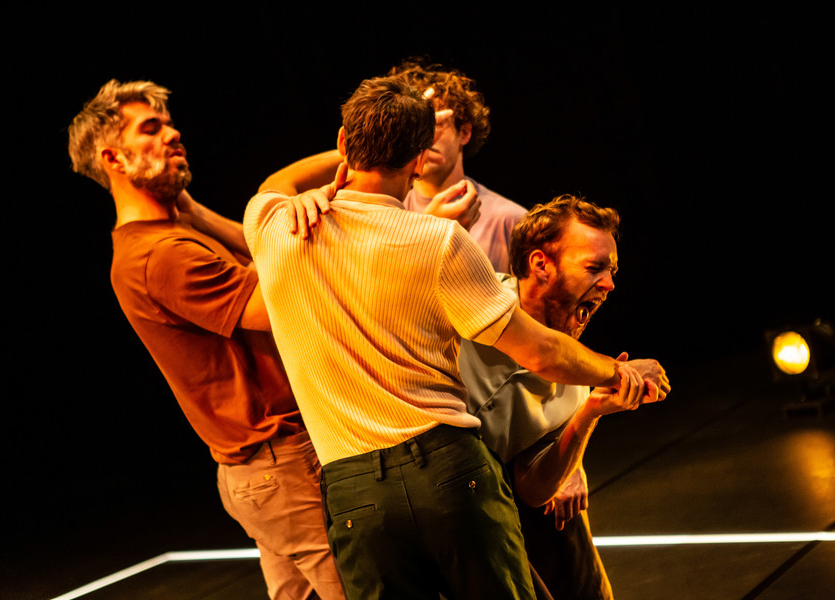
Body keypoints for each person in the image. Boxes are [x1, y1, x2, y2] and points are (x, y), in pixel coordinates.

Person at [244, 74, 669, 600]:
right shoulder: (438, 238)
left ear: (342, 142)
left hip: (353, 486)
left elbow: (276, 181)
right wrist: (618, 371)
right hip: (446, 468)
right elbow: (540, 350)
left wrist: (352, 154)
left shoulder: (274, 223)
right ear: (419, 158)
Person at [68, 79, 345, 600]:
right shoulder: (162, 255)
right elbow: (280, 301)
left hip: (264, 471)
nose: (173, 134)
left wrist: (195, 212)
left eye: (169, 124)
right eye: (150, 128)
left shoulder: (172, 235)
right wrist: (328, 183)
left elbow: (256, 256)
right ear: (113, 158)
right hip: (283, 466)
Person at [460, 195, 646, 599]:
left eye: (611, 271)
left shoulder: (576, 378)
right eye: (594, 268)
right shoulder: (476, 295)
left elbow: (533, 487)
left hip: (485, 506)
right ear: (540, 264)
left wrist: (591, 412)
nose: (609, 284)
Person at [390, 59, 527, 273]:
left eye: (434, 124)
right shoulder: (385, 210)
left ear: (464, 133)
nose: (422, 138)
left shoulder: (510, 221)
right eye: (414, 126)